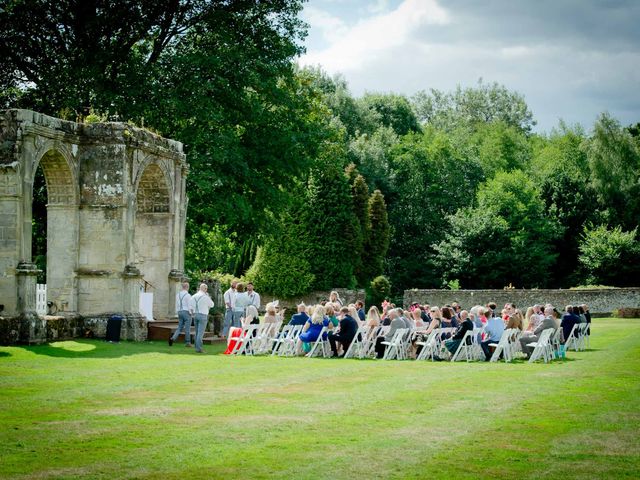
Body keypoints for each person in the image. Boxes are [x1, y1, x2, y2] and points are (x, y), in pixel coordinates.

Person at [189, 283, 214, 353]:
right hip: (203, 315)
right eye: (206, 288)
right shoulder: (206, 297)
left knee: (197, 332)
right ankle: (199, 348)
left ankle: (197, 348)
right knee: (200, 333)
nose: (206, 290)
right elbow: (212, 305)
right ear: (205, 289)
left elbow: (190, 306)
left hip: (195, 315)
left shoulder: (194, 296)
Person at [169, 282, 193, 347]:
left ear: (182, 287)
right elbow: (189, 305)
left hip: (180, 311)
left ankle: (173, 338)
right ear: (187, 287)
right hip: (186, 312)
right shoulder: (188, 295)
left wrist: (177, 312)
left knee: (179, 327)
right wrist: (191, 313)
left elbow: (176, 304)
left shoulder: (178, 295)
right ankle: (188, 342)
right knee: (187, 328)